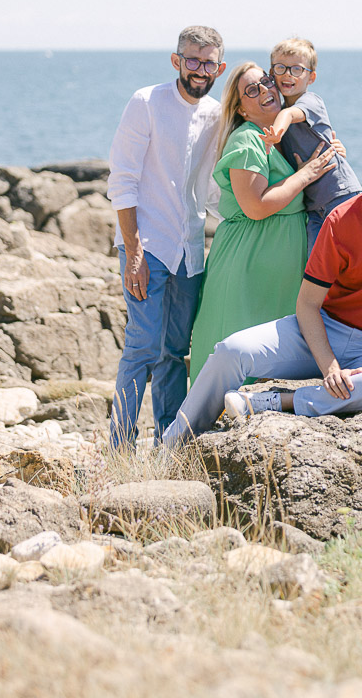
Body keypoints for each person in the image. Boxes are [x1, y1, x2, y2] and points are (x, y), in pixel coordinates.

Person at [163, 119, 362, 445]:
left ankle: (276, 402)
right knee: (230, 351)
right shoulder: (342, 220)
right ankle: (173, 446)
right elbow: (307, 304)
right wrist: (330, 368)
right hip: (325, 329)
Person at [107, 25, 226, 451]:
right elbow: (122, 181)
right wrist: (134, 251)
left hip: (190, 252)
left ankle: (167, 446)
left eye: (208, 62)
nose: (199, 69)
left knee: (175, 353)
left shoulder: (216, 114)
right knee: (140, 349)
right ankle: (119, 449)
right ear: (176, 60)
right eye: (192, 59)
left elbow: (212, 192)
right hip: (148, 248)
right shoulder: (146, 102)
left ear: (220, 67)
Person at [187, 62, 338, 383]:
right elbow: (255, 206)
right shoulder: (247, 140)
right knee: (233, 355)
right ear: (241, 108)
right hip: (246, 268)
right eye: (252, 90)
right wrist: (307, 173)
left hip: (274, 275)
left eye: (267, 82)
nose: (266, 91)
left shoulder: (285, 137)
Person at [261, 37, 362, 252]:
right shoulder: (275, 111)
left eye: (297, 69)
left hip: (340, 193)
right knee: (315, 267)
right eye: (281, 68)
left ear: (311, 77)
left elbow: (290, 114)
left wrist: (276, 134)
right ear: (271, 73)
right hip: (313, 206)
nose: (288, 74)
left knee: (351, 259)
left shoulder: (310, 101)